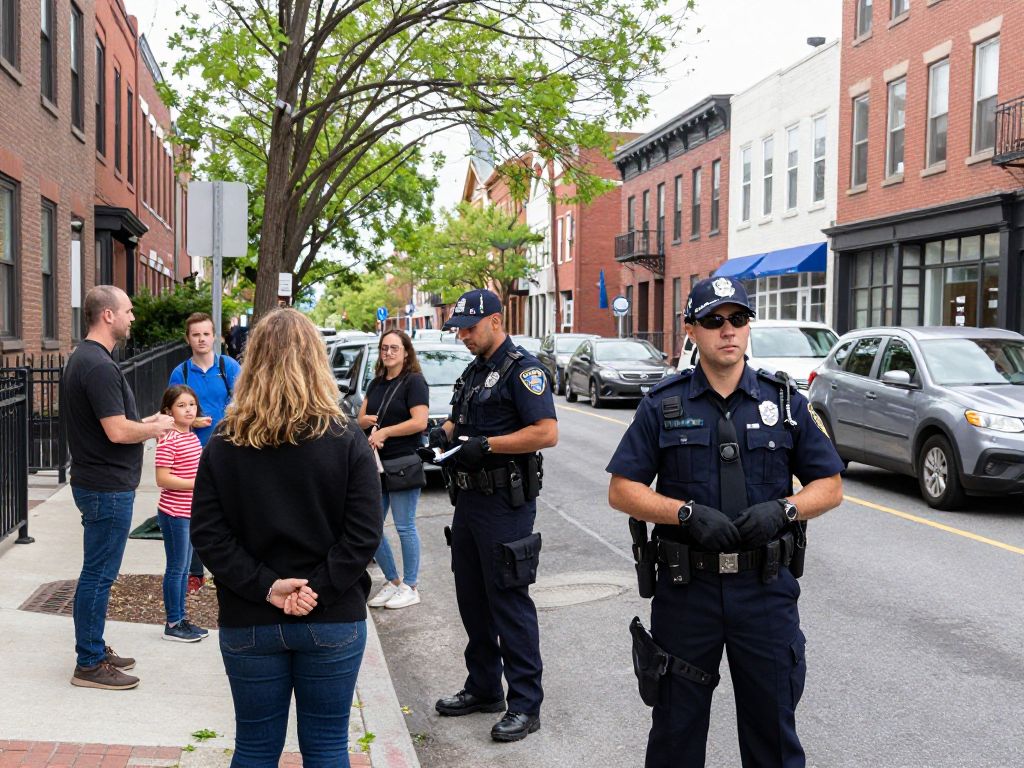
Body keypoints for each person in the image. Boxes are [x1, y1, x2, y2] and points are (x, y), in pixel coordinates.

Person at [606, 276, 844, 768]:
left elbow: (830, 486)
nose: (728, 330)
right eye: (714, 320)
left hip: (764, 591)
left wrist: (783, 509)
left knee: (772, 731)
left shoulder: (785, 403)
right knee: (676, 731)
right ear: (691, 329)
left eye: (738, 319)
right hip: (686, 590)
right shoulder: (663, 404)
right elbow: (622, 490)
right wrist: (685, 514)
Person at [190, 308, 382, 767]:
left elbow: (209, 535)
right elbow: (364, 534)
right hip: (331, 616)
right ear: (316, 360)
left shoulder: (225, 440)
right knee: (327, 747)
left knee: (255, 748)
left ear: (252, 363)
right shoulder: (346, 438)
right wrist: (316, 590)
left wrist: (268, 587)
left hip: (250, 617)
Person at [429, 289, 557, 743]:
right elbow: (461, 421)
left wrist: (490, 446)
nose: (462, 335)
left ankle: (525, 703)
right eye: (459, 328)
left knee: (508, 601)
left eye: (470, 327)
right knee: (472, 599)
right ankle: (484, 687)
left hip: (505, 503)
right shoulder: (476, 371)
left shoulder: (523, 370)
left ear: (496, 321)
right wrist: (439, 432)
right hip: (468, 503)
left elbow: (546, 432)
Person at [65, 286, 175, 690]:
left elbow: (112, 422)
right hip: (106, 488)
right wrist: (153, 429)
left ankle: (93, 647)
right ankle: (90, 663)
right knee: (98, 575)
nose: (133, 318)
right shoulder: (97, 365)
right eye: (128, 311)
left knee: (96, 572)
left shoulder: (87, 359)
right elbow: (116, 431)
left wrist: (149, 423)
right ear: (108, 315)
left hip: (99, 483)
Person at [167, 312, 241, 593]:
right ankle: (195, 573)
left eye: (206, 334)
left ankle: (228, 572)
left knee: (230, 511)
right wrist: (191, 420)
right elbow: (170, 413)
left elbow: (244, 405)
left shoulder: (229, 367)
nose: (201, 339)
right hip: (190, 454)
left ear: (216, 337)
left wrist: (227, 421)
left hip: (227, 452)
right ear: (188, 339)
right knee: (196, 512)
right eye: (195, 334)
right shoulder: (181, 373)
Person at [357, 330, 429, 610]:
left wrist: (385, 431)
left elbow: (420, 421)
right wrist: (368, 422)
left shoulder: (414, 382)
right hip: (375, 466)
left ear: (406, 352)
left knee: (404, 525)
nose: (388, 353)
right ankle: (393, 581)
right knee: (370, 525)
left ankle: (411, 586)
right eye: (384, 348)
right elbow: (361, 418)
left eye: (394, 348)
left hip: (403, 463)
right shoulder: (376, 383)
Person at [153, 384, 208, 643]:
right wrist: (198, 483)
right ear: (168, 411)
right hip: (174, 514)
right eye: (181, 406)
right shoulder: (169, 439)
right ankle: (173, 623)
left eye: (191, 405)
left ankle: (182, 618)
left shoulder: (190, 434)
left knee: (186, 570)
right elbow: (162, 479)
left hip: (190, 512)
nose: (188, 410)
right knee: (176, 569)